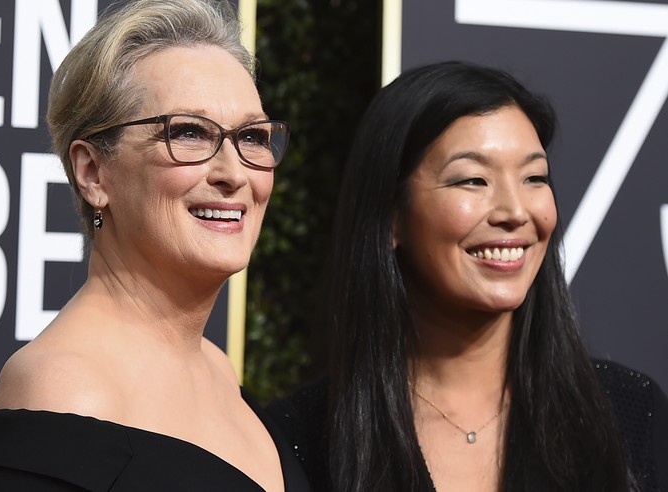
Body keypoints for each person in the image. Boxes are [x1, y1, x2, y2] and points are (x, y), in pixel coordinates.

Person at [0, 1, 310, 490]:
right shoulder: (64, 391)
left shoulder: (219, 371)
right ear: (93, 173)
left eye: (251, 137)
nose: (234, 174)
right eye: (188, 132)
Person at [269, 61, 668, 491]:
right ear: (390, 217)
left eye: (535, 177)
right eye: (473, 180)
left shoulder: (628, 411)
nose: (516, 212)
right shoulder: (299, 441)